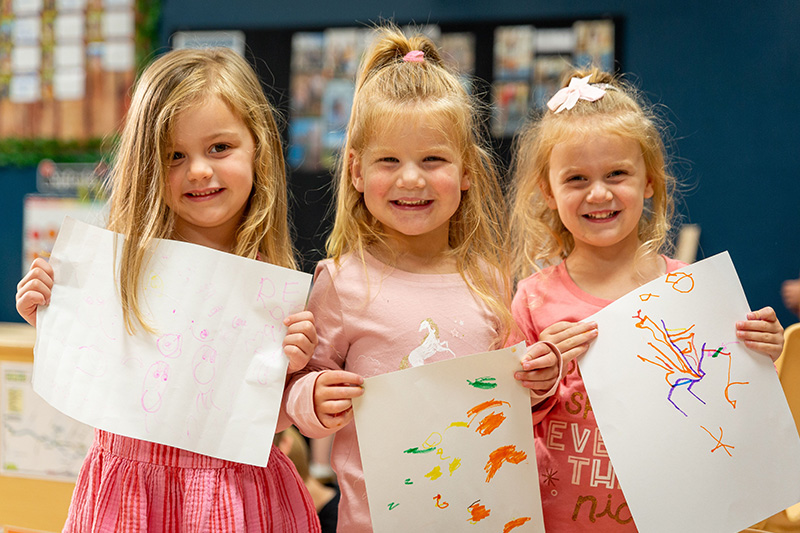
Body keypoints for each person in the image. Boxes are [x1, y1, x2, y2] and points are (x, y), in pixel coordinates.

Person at [15, 48, 321, 532]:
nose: (198, 170)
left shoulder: (273, 288)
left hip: (235, 499)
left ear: (258, 147)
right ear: (145, 166)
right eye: (175, 156)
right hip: (128, 498)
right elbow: (97, 373)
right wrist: (51, 318)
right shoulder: (116, 269)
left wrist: (296, 373)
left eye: (219, 148)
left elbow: (271, 420)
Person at [285, 25, 562, 532]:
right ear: (355, 171)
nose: (411, 179)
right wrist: (316, 396)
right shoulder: (343, 282)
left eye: (433, 160)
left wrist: (541, 381)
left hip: (482, 518)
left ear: (467, 173)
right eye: (388, 160)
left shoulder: (492, 281)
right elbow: (298, 390)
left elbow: (517, 396)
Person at [507, 69, 785, 531]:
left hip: (680, 518)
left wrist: (762, 351)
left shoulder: (691, 292)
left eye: (617, 173)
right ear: (548, 192)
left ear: (650, 181)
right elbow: (507, 419)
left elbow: (734, 405)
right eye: (576, 178)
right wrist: (538, 380)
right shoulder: (534, 299)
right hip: (562, 521)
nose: (599, 193)